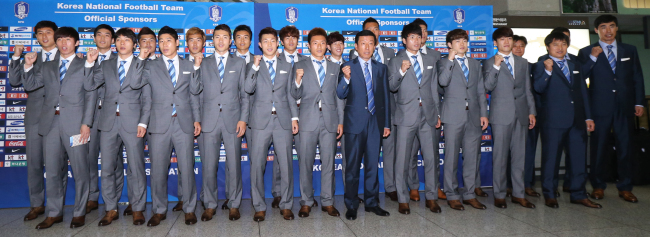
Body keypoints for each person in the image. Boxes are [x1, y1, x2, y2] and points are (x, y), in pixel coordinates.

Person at [22, 27, 97, 229]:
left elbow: (91, 95)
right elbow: (30, 86)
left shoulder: (87, 64)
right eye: (60, 40)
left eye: (68, 39)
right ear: (56, 43)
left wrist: (86, 124)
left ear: (77, 42)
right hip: (51, 123)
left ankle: (79, 212)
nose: (64, 43)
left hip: (76, 124)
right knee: (53, 171)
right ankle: (54, 213)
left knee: (80, 170)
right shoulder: (46, 66)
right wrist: (28, 66)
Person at [129, 26, 202, 226]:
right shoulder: (151, 65)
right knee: (158, 170)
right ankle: (159, 210)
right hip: (158, 124)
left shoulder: (189, 64)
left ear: (177, 43)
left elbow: (194, 93)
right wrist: (141, 59)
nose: (164, 45)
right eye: (161, 41)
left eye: (168, 40)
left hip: (183, 123)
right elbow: (134, 83)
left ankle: (189, 209)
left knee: (187, 168)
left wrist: (196, 119)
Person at [84, 28, 151, 226]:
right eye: (119, 40)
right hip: (108, 122)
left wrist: (143, 122)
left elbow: (147, 98)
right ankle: (110, 209)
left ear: (134, 44)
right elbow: (89, 85)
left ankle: (137, 208)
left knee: (136, 168)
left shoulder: (144, 65)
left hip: (133, 122)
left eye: (127, 40)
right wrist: (89, 63)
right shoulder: (105, 64)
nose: (122, 43)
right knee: (107, 168)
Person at [578, 14, 645, 203]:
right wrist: (592, 57)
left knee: (626, 147)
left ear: (617, 29)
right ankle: (598, 186)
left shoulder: (629, 50)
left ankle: (625, 187)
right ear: (596, 30)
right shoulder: (586, 51)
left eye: (612, 26)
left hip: (624, 106)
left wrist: (639, 102)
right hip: (599, 107)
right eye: (604, 27)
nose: (608, 31)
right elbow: (580, 77)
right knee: (598, 148)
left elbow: (637, 77)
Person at [349, 17, 417, 204]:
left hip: (388, 109)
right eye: (369, 29)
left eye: (376, 29)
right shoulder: (354, 55)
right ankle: (356, 195)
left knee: (389, 151)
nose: (374, 32)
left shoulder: (391, 53)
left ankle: (390, 187)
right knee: (362, 156)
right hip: (363, 114)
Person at [533, 32, 601, 209]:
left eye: (563, 44)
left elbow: (582, 92)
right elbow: (538, 88)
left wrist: (588, 116)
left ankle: (579, 194)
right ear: (547, 46)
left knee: (579, 159)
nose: (560, 48)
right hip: (553, 121)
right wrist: (548, 71)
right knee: (551, 159)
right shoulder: (541, 64)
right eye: (555, 44)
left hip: (577, 121)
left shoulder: (574, 64)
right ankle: (549, 194)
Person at [245, 27, 299, 222]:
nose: (269, 44)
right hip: (259, 122)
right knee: (257, 166)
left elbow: (291, 94)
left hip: (283, 120)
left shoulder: (287, 64)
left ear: (278, 43)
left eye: (272, 41)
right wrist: (255, 67)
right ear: (259, 44)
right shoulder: (253, 64)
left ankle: (286, 205)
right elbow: (247, 89)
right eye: (265, 41)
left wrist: (294, 118)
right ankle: (259, 206)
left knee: (286, 165)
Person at [337, 30, 392, 220]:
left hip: (375, 123)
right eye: (363, 43)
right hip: (354, 124)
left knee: (372, 166)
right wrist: (346, 78)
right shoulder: (347, 66)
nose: (367, 47)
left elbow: (385, 97)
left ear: (375, 46)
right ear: (356, 46)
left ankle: (371, 203)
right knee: (352, 167)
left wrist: (386, 123)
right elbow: (340, 93)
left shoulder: (381, 68)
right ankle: (351, 204)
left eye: (371, 43)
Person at [387, 23, 442, 215]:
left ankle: (432, 197)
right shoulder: (395, 60)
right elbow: (392, 86)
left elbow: (434, 89)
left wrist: (437, 114)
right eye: (412, 37)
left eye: (419, 37)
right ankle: (403, 199)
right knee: (402, 160)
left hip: (427, 115)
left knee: (431, 158)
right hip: (405, 116)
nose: (416, 41)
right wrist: (402, 71)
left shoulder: (429, 60)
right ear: (404, 40)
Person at [197, 24, 247, 222]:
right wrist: (197, 119)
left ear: (230, 40)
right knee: (209, 165)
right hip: (208, 120)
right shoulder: (203, 62)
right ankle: (209, 204)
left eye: (225, 37)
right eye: (217, 36)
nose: (221, 40)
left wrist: (243, 118)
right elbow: (195, 93)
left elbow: (244, 94)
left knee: (234, 164)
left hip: (233, 120)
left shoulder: (240, 63)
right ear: (212, 40)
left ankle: (234, 204)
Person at [9, 20, 58, 222]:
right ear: (35, 36)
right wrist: (17, 57)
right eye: (40, 33)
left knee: (57, 165)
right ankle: (36, 205)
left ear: (56, 34)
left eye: (48, 32)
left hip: (58, 116)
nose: (44, 36)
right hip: (35, 116)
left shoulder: (67, 56)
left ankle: (57, 208)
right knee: (35, 163)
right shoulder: (31, 57)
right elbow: (14, 81)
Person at [292, 28, 344, 218]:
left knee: (328, 163)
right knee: (305, 162)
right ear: (308, 46)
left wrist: (340, 121)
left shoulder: (334, 67)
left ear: (327, 46)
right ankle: (306, 201)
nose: (319, 46)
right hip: (307, 120)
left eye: (323, 43)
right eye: (315, 43)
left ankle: (328, 201)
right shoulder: (299, 65)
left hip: (330, 121)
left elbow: (338, 96)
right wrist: (297, 80)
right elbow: (294, 94)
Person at [483, 27, 536, 209]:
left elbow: (527, 90)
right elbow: (487, 87)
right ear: (495, 43)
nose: (506, 42)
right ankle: (499, 194)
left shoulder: (523, 62)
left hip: (521, 114)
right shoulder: (490, 62)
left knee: (519, 157)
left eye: (509, 38)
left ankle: (518, 194)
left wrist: (531, 112)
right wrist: (497, 66)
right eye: (502, 39)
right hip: (500, 116)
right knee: (500, 157)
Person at [437, 29, 488, 211]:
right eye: (457, 41)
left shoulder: (475, 64)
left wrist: (483, 113)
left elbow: (480, 90)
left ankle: (469, 194)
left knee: (472, 158)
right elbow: (442, 82)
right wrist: (450, 60)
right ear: (449, 45)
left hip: (473, 116)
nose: (462, 44)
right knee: (450, 157)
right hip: (452, 116)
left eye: (464, 40)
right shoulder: (443, 63)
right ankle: (451, 194)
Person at [269, 25, 306, 209]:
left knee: (305, 155)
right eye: (287, 38)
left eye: (294, 38)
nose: (291, 41)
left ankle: (306, 196)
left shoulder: (306, 61)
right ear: (281, 42)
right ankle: (278, 193)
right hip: (281, 114)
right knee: (279, 157)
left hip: (305, 114)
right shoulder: (274, 60)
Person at [412, 17, 447, 201]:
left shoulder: (435, 56)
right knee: (411, 154)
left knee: (432, 154)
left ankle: (435, 187)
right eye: (418, 32)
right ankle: (413, 187)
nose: (422, 34)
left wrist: (438, 113)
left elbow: (439, 86)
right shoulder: (402, 57)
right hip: (410, 114)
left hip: (431, 113)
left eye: (424, 31)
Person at [85, 24, 119, 214]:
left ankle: (115, 198)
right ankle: (92, 196)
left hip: (113, 114)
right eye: (99, 35)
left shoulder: (120, 59)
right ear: (94, 38)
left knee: (114, 161)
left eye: (107, 35)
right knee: (90, 157)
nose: (103, 38)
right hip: (90, 114)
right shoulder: (85, 59)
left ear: (113, 40)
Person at [173, 26, 206, 213]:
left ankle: (206, 198)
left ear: (203, 42)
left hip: (207, 119)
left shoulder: (210, 62)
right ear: (186, 43)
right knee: (183, 162)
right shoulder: (180, 64)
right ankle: (184, 198)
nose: (195, 44)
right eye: (191, 40)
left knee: (207, 162)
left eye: (198, 40)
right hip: (183, 119)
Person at [514, 35, 543, 198]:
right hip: (510, 116)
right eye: (515, 45)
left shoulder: (532, 67)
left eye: (522, 46)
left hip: (530, 116)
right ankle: (510, 185)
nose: (518, 49)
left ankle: (527, 184)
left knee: (528, 151)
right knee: (509, 153)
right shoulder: (503, 65)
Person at [229, 24, 255, 211]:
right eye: (238, 37)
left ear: (251, 40)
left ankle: (258, 200)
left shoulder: (261, 60)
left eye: (246, 37)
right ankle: (233, 200)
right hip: (231, 118)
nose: (242, 40)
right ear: (233, 40)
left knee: (257, 160)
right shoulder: (226, 61)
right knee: (232, 161)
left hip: (256, 118)